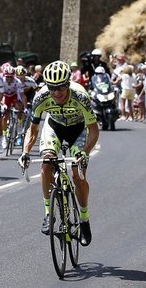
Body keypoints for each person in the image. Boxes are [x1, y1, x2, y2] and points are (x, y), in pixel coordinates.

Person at [19, 60, 99, 245]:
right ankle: (48, 214)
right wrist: (25, 152)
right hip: (54, 127)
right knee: (46, 165)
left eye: (61, 88)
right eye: (52, 88)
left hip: (78, 129)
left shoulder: (81, 96)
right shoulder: (41, 96)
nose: (56, 93)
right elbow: (33, 130)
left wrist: (86, 152)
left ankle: (84, 219)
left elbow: (93, 130)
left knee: (77, 174)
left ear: (68, 84)